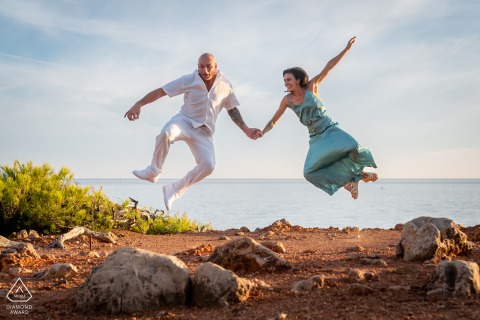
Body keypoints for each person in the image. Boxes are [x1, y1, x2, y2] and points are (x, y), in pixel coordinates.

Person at [125, 53, 262, 210]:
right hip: (185, 121)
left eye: (208, 66)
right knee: (166, 133)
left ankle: (174, 190)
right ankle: (154, 171)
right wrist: (139, 103)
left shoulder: (225, 85)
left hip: (205, 132)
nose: (204, 70)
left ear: (216, 67)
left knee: (209, 166)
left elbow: (232, 109)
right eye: (201, 66)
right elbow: (161, 91)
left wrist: (246, 129)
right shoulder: (189, 79)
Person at [261, 37, 377, 199]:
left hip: (330, 128)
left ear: (298, 79)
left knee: (352, 146)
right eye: (284, 80)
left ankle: (360, 175)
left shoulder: (311, 86)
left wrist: (346, 50)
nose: (286, 83)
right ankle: (348, 183)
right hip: (316, 137)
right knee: (309, 172)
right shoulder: (287, 101)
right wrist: (262, 132)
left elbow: (328, 67)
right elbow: (273, 121)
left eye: (288, 79)